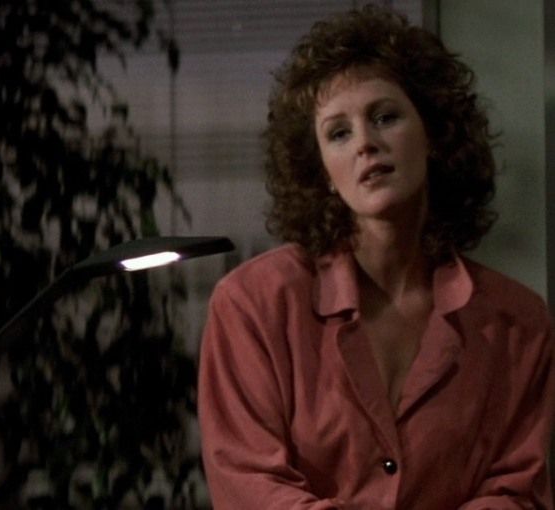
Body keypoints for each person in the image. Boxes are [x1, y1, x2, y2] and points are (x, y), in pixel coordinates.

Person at [197, 5, 554, 509]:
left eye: (385, 117)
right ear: (322, 170)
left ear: (433, 134)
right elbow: (250, 486)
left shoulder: (516, 322)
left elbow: (516, 492)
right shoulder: (253, 305)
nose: (366, 143)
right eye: (339, 133)